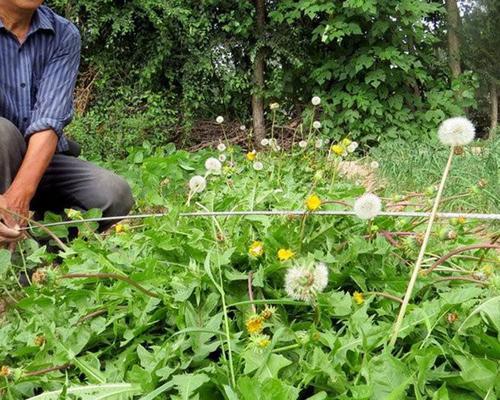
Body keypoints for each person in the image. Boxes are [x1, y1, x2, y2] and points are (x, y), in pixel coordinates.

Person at [0, 0, 134, 246]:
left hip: (42, 160)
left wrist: (19, 196)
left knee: (114, 193)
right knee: (3, 133)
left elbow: (49, 122)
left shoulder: (63, 34)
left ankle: (40, 253)